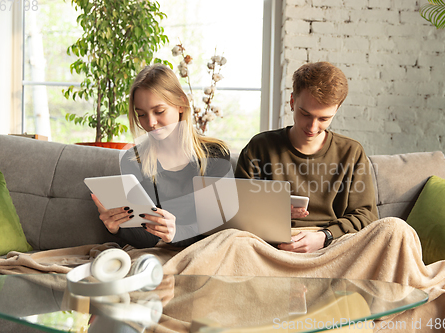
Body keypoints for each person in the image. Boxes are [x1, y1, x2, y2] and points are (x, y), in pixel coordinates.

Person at [235, 61, 378, 253]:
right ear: (293, 102)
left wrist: (325, 236)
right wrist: (272, 212)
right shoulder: (259, 148)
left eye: (324, 119)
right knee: (226, 242)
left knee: (396, 229)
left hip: (332, 247)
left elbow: (366, 216)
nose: (312, 127)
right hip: (270, 249)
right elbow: (236, 212)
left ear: (336, 110)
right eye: (305, 114)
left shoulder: (351, 152)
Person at [92, 64, 232, 248]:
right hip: (155, 254)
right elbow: (146, 239)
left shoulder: (215, 155)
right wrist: (117, 228)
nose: (150, 123)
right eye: (141, 114)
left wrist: (177, 232)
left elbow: (218, 229)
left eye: (159, 111)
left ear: (181, 104)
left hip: (204, 251)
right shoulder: (133, 160)